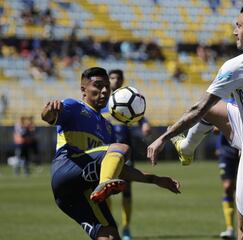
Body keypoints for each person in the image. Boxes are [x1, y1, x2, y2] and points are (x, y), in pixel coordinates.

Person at [147, 4, 243, 239]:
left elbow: (198, 108)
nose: (234, 31)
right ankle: (186, 147)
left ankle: (184, 144)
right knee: (215, 109)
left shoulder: (240, 64)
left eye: (239, 26)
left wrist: (163, 137)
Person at [41, 67, 180, 240]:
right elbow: (48, 117)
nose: (105, 91)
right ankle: (105, 184)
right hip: (66, 169)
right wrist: (49, 111)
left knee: (110, 236)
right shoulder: (74, 106)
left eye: (106, 86)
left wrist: (155, 179)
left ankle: (104, 185)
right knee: (122, 148)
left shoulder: (107, 128)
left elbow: (116, 165)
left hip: (77, 193)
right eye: (98, 86)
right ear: (83, 89)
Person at [103, 69, 152, 240]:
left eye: (118, 78)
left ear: (122, 81)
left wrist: (145, 124)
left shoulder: (128, 99)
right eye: (112, 78)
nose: (115, 81)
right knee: (104, 191)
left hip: (125, 155)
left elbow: (141, 117)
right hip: (105, 154)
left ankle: (126, 228)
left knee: (126, 192)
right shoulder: (103, 102)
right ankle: (109, 224)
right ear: (108, 80)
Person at [215, 129, 240, 239]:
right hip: (226, 152)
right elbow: (215, 129)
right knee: (228, 187)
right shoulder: (226, 110)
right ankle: (230, 228)